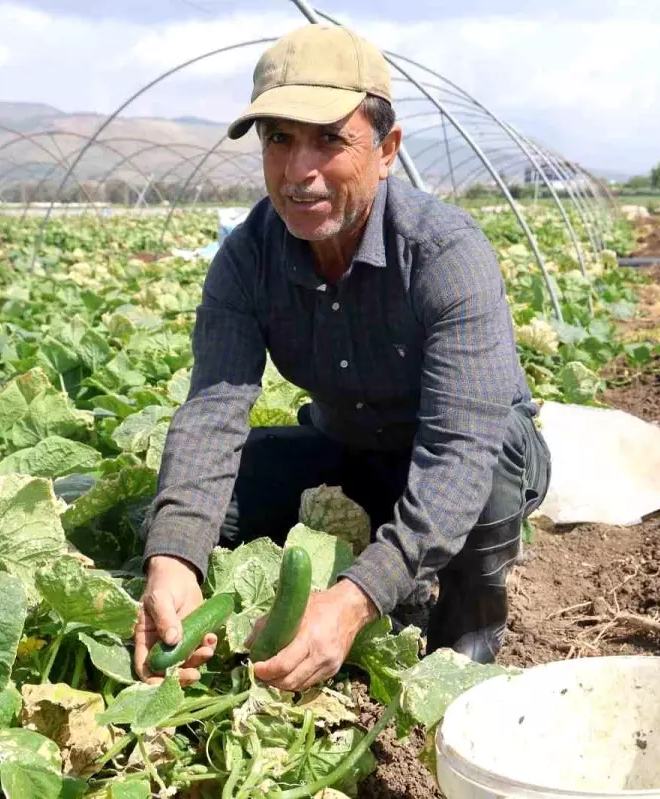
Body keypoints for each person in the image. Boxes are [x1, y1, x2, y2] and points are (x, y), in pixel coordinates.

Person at [133, 23, 551, 692]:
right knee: (187, 500)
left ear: (387, 150)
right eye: (279, 139)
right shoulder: (246, 259)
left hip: (463, 459)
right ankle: (195, 627)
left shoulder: (446, 254)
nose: (301, 173)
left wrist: (357, 597)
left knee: (495, 456)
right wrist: (174, 555)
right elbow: (212, 416)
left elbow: (458, 456)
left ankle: (460, 646)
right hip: (350, 452)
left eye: (330, 139)